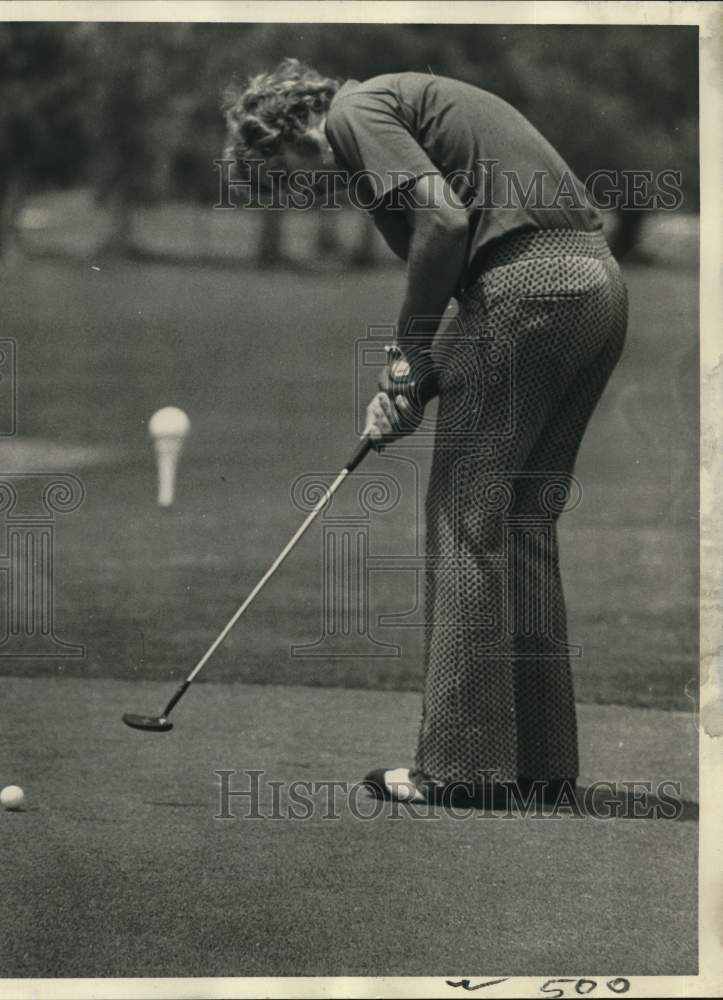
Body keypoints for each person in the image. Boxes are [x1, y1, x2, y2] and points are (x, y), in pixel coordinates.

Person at [223, 60, 628, 807]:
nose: (305, 189)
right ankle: (539, 766)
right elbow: (472, 262)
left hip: (526, 289)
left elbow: (446, 223)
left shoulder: (353, 114)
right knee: (521, 522)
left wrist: (408, 357)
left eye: (285, 172)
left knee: (466, 524)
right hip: (592, 285)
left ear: (283, 129)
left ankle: (462, 769)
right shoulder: (398, 104)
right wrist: (412, 379)